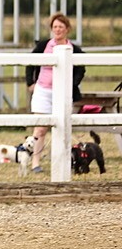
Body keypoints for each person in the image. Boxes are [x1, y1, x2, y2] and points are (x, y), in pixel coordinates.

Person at [24, 12, 85, 173]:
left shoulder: (74, 49)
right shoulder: (43, 46)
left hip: (63, 93)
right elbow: (30, 63)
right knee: (40, 128)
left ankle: (62, 161)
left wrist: (72, 84)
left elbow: (81, 69)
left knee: (63, 128)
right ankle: (35, 163)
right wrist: (30, 82)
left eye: (61, 27)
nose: (57, 30)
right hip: (43, 91)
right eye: (55, 27)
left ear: (67, 29)